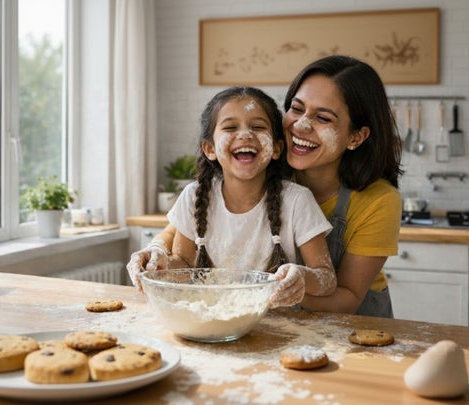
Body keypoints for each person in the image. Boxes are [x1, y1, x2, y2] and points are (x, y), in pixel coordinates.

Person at [129, 55, 402, 316]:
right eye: (296, 109)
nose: (302, 125)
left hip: (355, 324)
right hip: (271, 319)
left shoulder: (375, 200)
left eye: (323, 118)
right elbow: (181, 234)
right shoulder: (259, 169)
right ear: (209, 148)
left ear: (356, 136)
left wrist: (257, 289)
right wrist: (156, 253)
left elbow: (346, 298)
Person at [150, 86, 337, 308]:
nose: (245, 135)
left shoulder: (297, 201)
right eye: (230, 127)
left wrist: (302, 277)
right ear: (209, 149)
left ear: (277, 148)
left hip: (280, 329)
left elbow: (327, 279)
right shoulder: (193, 196)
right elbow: (183, 267)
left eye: (258, 127)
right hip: (213, 320)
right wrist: (160, 264)